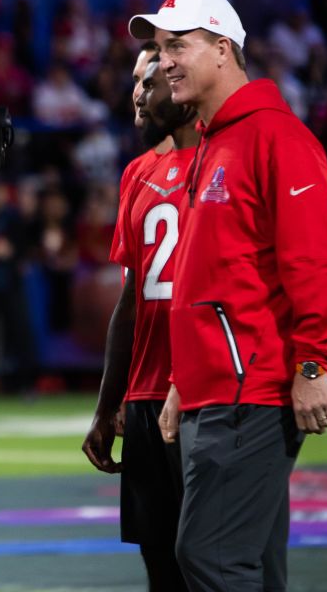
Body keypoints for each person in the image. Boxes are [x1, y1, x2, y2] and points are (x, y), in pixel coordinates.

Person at [128, 0, 327, 591]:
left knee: (211, 557)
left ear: (223, 49)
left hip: (252, 386)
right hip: (216, 387)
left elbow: (317, 262)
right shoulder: (216, 142)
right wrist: (182, 381)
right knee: (252, 564)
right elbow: (212, 275)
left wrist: (312, 364)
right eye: (158, 47)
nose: (163, 61)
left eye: (178, 45)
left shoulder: (279, 139)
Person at [81, 41, 197, 590]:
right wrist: (109, 406)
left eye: (146, 78)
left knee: (214, 560)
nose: (135, 90)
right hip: (147, 395)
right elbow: (129, 305)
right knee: (160, 564)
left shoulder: (220, 160)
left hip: (206, 392)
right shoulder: (137, 174)